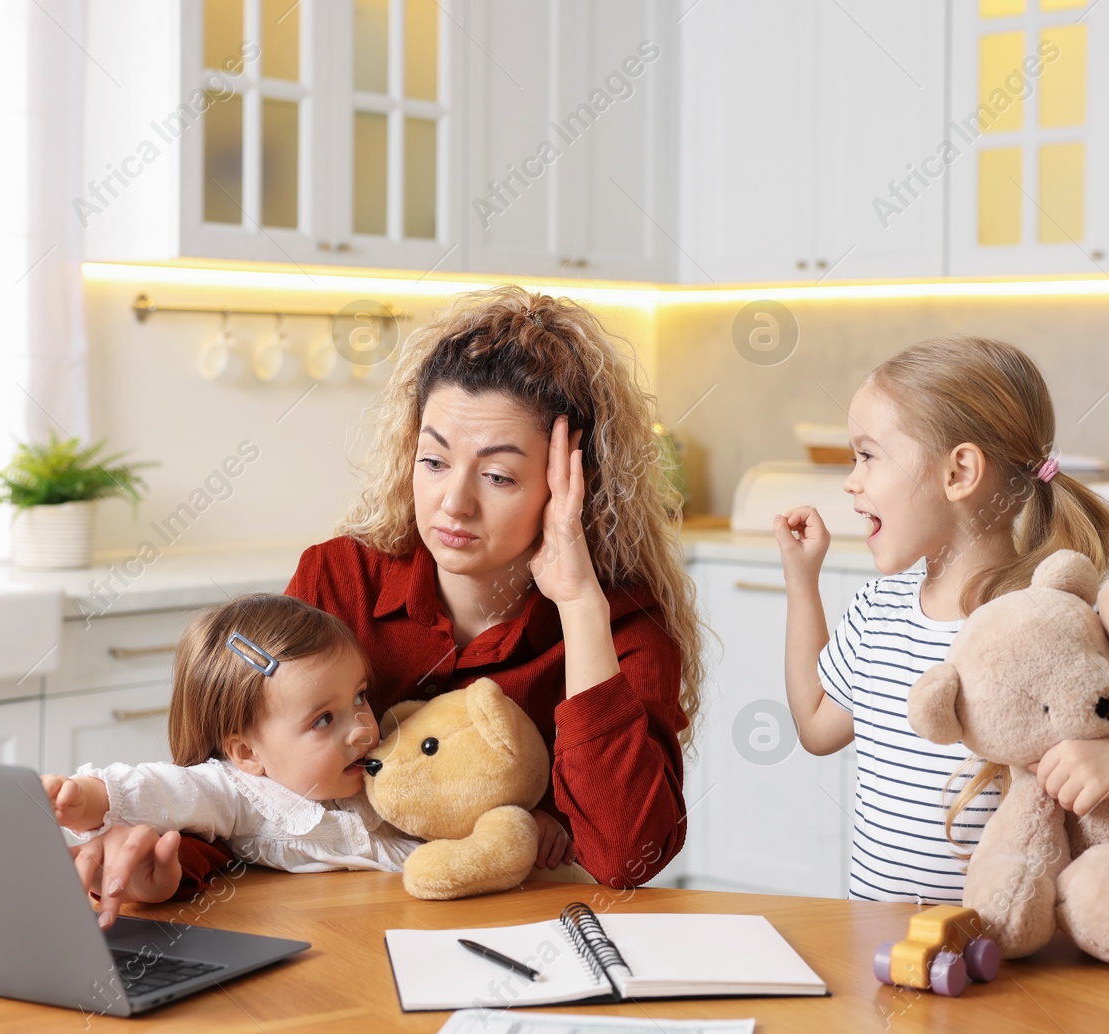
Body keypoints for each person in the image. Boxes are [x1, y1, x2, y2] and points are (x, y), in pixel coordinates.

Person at [69, 287, 704, 927]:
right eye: (434, 460)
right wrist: (169, 860)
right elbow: (250, 781)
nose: (453, 502)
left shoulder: (621, 622)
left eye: (499, 476)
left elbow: (628, 855)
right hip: (344, 929)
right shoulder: (342, 578)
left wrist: (578, 603)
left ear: (573, 485)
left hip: (528, 932)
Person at [773, 337, 1109, 904]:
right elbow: (819, 727)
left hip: (1015, 964)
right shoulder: (878, 611)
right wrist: (802, 583)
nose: (852, 479)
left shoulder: (1060, 621)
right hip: (882, 949)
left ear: (959, 471)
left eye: (868, 455)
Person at [41, 594, 433, 879]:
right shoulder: (242, 794)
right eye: (323, 719)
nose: (362, 729)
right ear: (246, 752)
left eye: (360, 697)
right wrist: (89, 796)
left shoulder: (374, 770)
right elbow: (165, 789)